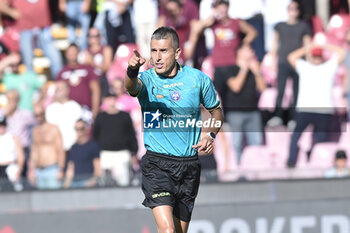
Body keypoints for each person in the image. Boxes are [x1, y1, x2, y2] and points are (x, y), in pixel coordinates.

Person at [125, 26, 223, 233]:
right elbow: (131, 87)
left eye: (163, 51)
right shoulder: (147, 80)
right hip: (157, 165)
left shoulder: (198, 80)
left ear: (177, 53)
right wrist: (132, 70)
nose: (157, 57)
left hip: (188, 166)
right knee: (168, 230)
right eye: (153, 51)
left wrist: (210, 134)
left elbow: (216, 113)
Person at [185, 0, 257, 107]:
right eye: (219, 8)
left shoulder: (236, 22)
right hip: (218, 64)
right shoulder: (214, 23)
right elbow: (196, 29)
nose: (222, 10)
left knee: (233, 94)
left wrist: (242, 45)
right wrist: (211, 16)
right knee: (219, 94)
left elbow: (252, 32)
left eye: (224, 7)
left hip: (233, 63)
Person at [286, 43, 345, 168]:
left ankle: (317, 163)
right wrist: (308, 47)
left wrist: (324, 46)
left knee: (320, 141)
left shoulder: (328, 67)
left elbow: (342, 52)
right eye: (314, 57)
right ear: (311, 57)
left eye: (318, 57)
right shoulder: (305, 67)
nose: (316, 59)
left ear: (322, 57)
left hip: (323, 110)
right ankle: (291, 162)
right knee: (296, 136)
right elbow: (291, 57)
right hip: (305, 109)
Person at [266, 1, 312, 128]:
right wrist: (271, 61)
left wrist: (308, 63)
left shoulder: (303, 26)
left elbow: (307, 45)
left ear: (299, 10)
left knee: (297, 92)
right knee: (280, 91)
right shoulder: (280, 26)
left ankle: (293, 118)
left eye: (296, 8)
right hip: (282, 62)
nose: (293, 11)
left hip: (298, 63)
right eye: (291, 8)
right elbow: (274, 44)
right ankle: (278, 116)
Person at [224, 44, 266, 163]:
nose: (251, 52)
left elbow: (262, 89)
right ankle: (239, 169)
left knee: (256, 142)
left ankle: (255, 167)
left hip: (253, 112)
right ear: (239, 52)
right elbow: (235, 87)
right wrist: (243, 70)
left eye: (251, 49)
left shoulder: (255, 69)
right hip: (235, 113)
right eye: (247, 49)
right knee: (237, 143)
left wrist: (257, 72)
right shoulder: (231, 68)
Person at [93, 93, 138, 186]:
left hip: (122, 153)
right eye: (108, 99)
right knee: (104, 182)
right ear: (104, 101)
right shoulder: (100, 117)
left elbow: (131, 135)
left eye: (113, 98)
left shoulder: (124, 116)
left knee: (124, 181)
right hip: (105, 153)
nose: (111, 101)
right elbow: (95, 136)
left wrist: (134, 152)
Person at [11, 0, 63, 78]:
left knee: (56, 58)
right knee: (28, 61)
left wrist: (62, 2)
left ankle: (59, 83)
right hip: (25, 29)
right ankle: (32, 85)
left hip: (44, 28)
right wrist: (10, 12)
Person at [57, 43, 101, 120]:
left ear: (78, 53)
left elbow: (95, 90)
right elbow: (58, 92)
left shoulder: (87, 69)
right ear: (66, 54)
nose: (72, 54)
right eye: (70, 52)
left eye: (74, 51)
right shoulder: (62, 73)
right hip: (68, 111)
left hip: (85, 110)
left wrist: (95, 109)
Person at [28, 104, 65, 189]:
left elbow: (60, 149)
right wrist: (32, 170)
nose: (39, 117)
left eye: (41, 114)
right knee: (42, 200)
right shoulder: (35, 131)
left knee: (54, 199)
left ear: (44, 113)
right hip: (39, 170)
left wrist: (61, 169)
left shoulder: (53, 128)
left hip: (52, 169)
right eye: (36, 115)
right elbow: (34, 151)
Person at [1, 90, 35, 178]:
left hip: (23, 149)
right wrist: (6, 114)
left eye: (14, 99)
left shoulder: (25, 114)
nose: (11, 102)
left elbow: (36, 125)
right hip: (6, 151)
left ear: (18, 100)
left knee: (22, 177)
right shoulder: (2, 113)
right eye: (9, 99)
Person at [46, 81, 83, 152]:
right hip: (55, 149)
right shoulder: (50, 108)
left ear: (67, 90)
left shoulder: (75, 106)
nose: (58, 91)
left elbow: (80, 128)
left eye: (61, 89)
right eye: (56, 89)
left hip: (73, 148)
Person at [64, 119, 101, 188]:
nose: (79, 131)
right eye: (77, 129)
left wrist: (92, 181)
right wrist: (66, 184)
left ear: (86, 129)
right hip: (74, 182)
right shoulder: (73, 148)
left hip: (87, 181)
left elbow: (97, 168)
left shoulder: (93, 146)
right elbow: (70, 168)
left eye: (81, 128)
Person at [80, 27, 113, 97]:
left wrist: (92, 62)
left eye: (96, 36)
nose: (94, 38)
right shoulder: (84, 52)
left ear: (100, 37)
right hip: (87, 82)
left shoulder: (106, 50)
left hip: (102, 81)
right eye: (91, 36)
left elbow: (106, 68)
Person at [0, 114, 24, 191]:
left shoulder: (13, 138)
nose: (1, 128)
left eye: (3, 125)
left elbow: (20, 156)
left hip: (11, 168)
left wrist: (19, 170)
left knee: (16, 190)